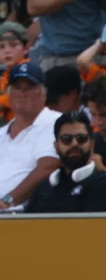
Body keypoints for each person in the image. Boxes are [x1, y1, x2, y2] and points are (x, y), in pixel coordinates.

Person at [24, 110, 106, 212]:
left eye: (81, 138)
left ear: (92, 144)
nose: (74, 144)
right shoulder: (45, 187)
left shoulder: (105, 185)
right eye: (66, 139)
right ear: (56, 147)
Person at [0, 61, 59, 210]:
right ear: (9, 93)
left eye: (30, 87)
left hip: (22, 216)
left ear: (44, 92)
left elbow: (47, 167)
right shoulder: (1, 133)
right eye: (17, 88)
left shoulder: (55, 122)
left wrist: (7, 201)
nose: (23, 93)